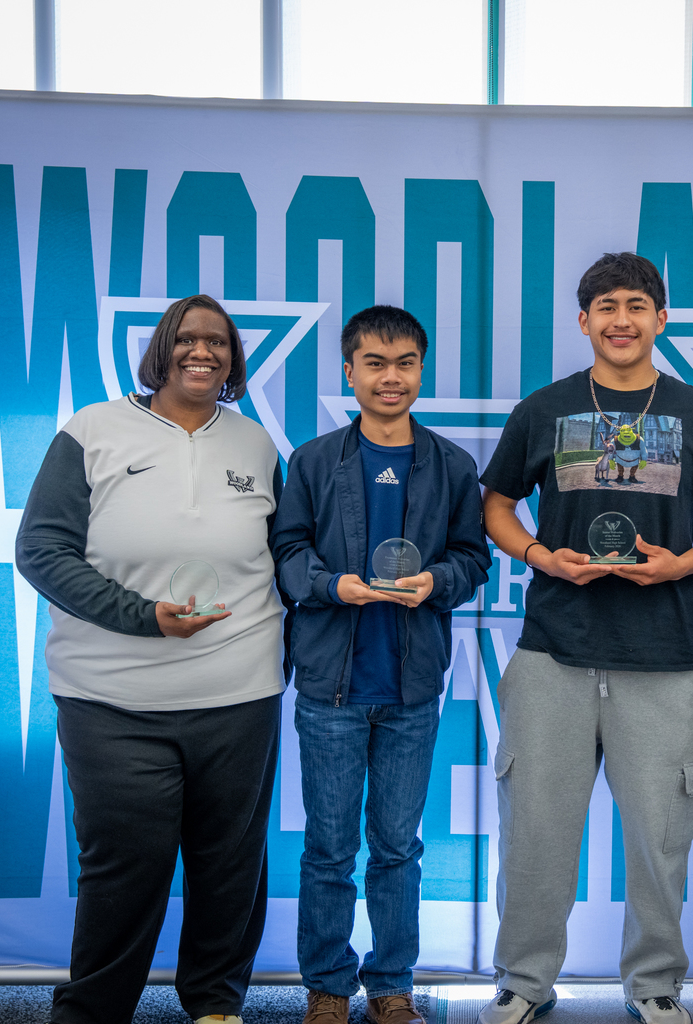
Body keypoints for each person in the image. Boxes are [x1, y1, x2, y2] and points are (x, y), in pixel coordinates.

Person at [477, 252, 693, 1024]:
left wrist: (683, 566)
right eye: (606, 307)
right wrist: (538, 554)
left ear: (660, 319)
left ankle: (656, 984)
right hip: (552, 653)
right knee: (535, 835)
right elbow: (496, 504)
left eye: (637, 305)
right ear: (584, 322)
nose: (622, 320)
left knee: (661, 840)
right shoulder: (544, 408)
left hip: (662, 659)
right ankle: (524, 983)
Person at [16, 295, 288, 1024]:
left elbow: (280, 558)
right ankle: (93, 1011)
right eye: (188, 340)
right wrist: (143, 618)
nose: (204, 353)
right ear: (162, 349)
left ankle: (216, 1006)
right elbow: (40, 550)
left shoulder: (256, 445)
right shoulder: (92, 431)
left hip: (240, 692)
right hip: (111, 699)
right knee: (124, 869)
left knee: (230, 868)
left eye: (219, 343)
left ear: (233, 359)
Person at [270, 305, 491, 1024]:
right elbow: (286, 554)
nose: (389, 378)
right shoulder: (311, 461)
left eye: (403, 364)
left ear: (420, 371)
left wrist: (440, 583)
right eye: (374, 363)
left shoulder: (452, 465)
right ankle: (329, 987)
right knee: (330, 849)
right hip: (329, 690)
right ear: (349, 371)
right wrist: (332, 584)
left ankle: (392, 984)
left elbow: (472, 558)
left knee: (398, 848)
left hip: (412, 689)